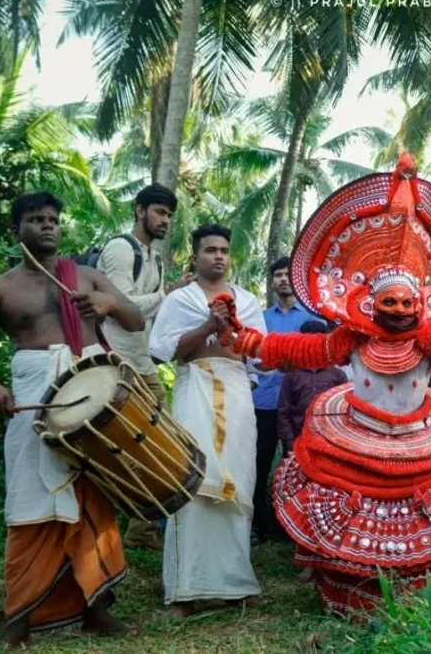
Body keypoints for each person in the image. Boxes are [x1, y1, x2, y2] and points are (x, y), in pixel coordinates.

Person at [213, 153, 431, 615]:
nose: (396, 306)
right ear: (370, 304)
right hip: (354, 438)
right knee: (351, 509)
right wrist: (248, 340)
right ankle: (351, 596)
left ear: (419, 302)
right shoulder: (352, 338)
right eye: (387, 300)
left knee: (425, 522)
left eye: (405, 300)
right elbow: (295, 351)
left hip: (419, 440)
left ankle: (416, 601)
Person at [0, 193, 143, 646]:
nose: (48, 226)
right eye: (36, 219)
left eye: (54, 220)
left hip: (91, 394)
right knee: (30, 498)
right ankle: (18, 618)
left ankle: (97, 609)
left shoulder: (87, 275)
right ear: (16, 227)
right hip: (33, 394)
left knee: (93, 497)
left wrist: (107, 306)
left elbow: (136, 320)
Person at [147, 224, 267, 616]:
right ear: (195, 257)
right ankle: (184, 591)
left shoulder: (248, 302)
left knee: (240, 481)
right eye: (210, 250)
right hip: (194, 386)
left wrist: (233, 328)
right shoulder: (180, 300)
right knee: (193, 481)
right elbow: (162, 351)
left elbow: (263, 356)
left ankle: (236, 584)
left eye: (224, 250)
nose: (218, 256)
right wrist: (208, 325)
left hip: (235, 392)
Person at [96, 182, 192, 550]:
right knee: (131, 442)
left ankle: (142, 528)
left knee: (159, 436)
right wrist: (168, 295)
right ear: (139, 210)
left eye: (169, 214)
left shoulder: (154, 258)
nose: (165, 220)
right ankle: (136, 528)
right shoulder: (122, 250)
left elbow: (148, 314)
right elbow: (122, 307)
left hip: (140, 360)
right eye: (159, 212)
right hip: (116, 358)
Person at [250, 256, 316, 541]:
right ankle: (255, 524)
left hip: (300, 408)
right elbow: (253, 357)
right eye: (278, 274)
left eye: (288, 274)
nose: (283, 279)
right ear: (273, 281)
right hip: (264, 401)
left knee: (300, 464)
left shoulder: (312, 319)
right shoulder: (262, 319)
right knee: (258, 463)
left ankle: (297, 528)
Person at [277, 320, 348, 455]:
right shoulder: (292, 376)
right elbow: (283, 413)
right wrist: (289, 443)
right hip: (298, 442)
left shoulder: (338, 375)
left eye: (318, 341)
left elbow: (345, 413)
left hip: (330, 443)